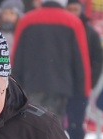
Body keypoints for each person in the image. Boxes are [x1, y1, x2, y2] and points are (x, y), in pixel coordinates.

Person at [11, 0, 91, 130]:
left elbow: (17, 57)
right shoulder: (73, 22)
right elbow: (81, 60)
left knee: (32, 126)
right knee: (54, 129)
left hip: (32, 84)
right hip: (61, 86)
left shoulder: (27, 20)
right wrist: (82, 91)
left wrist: (14, 86)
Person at [64, 0, 103, 139]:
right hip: (62, 83)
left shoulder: (90, 32)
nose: (73, 12)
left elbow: (97, 59)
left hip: (80, 85)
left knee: (76, 124)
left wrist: (91, 81)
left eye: (76, 9)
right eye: (70, 9)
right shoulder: (62, 29)